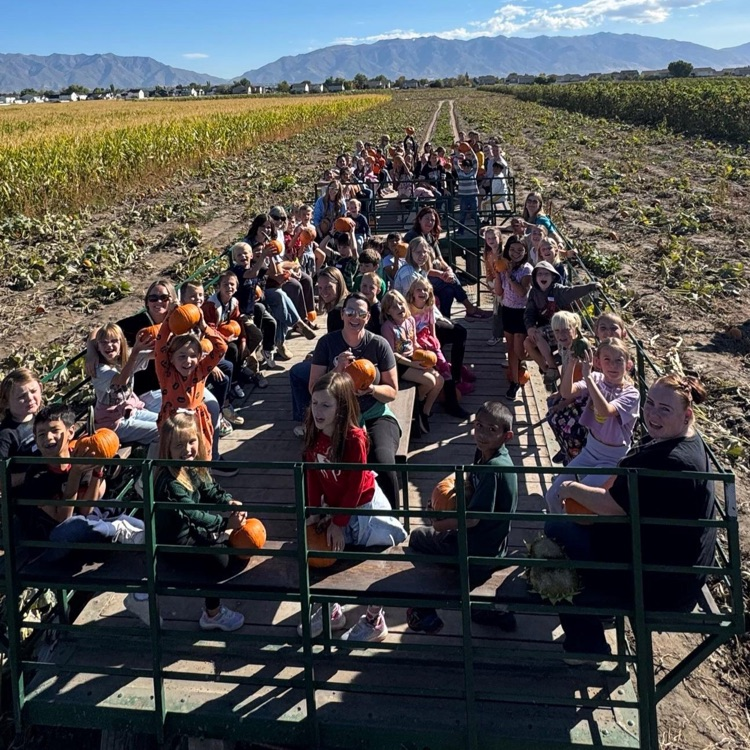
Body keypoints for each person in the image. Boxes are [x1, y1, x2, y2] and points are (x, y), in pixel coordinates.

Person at [545, 375, 716, 661]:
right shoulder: (680, 441)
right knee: (568, 528)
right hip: (670, 560)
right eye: (649, 403)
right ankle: (596, 620)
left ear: (687, 415)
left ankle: (587, 644)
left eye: (665, 409)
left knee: (556, 532)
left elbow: (610, 506)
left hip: (662, 582)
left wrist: (570, 487)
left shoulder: (670, 462)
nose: (652, 414)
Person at [299, 372, 407, 642]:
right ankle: (331, 610)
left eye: (326, 405)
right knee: (324, 553)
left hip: (363, 507)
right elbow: (312, 474)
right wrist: (314, 511)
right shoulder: (314, 434)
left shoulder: (354, 438)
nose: (318, 411)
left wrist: (339, 521)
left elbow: (355, 482)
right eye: (315, 403)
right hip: (335, 506)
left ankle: (373, 619)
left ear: (342, 407)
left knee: (375, 562)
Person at [125, 413, 247, 631]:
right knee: (219, 559)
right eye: (179, 445)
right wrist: (226, 523)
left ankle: (211, 606)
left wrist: (228, 501)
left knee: (234, 554)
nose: (187, 449)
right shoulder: (170, 482)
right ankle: (213, 614)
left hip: (190, 533)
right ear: (167, 449)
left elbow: (209, 490)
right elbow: (193, 513)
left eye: (192, 442)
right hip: (172, 543)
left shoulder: (191, 467)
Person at [407, 401, 518, 633]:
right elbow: (471, 484)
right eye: (478, 426)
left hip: (476, 547)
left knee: (418, 539)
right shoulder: (487, 453)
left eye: (492, 429)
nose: (482, 434)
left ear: (507, 436)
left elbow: (471, 520)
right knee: (430, 542)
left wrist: (439, 523)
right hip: (492, 543)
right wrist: (444, 500)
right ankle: (480, 605)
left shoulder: (493, 469)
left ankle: (428, 604)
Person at [19, 404, 144, 562]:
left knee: (143, 528)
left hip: (88, 524)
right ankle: (113, 528)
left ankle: (111, 529)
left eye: (55, 431)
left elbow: (86, 509)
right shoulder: (36, 475)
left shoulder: (80, 455)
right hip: (53, 541)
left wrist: (98, 471)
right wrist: (75, 474)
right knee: (74, 526)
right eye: (41, 434)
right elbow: (63, 518)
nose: (48, 438)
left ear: (70, 432)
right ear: (35, 439)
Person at [309, 293, 400, 507]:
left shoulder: (379, 344)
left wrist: (371, 389)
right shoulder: (327, 343)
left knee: (384, 461)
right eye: (350, 312)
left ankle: (392, 517)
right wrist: (336, 370)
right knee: (331, 462)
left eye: (361, 313)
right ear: (342, 314)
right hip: (338, 416)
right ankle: (334, 516)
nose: (355, 317)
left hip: (374, 412)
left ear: (368, 317)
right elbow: (313, 388)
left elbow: (392, 391)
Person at [545, 338, 640, 514]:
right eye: (607, 360)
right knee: (552, 494)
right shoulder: (597, 378)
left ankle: (569, 532)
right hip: (590, 450)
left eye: (618, 360)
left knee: (575, 499)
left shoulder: (631, 394)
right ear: (598, 362)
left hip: (613, 460)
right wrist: (572, 363)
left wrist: (588, 377)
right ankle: (555, 528)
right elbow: (566, 392)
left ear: (628, 364)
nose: (613, 365)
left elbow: (605, 411)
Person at [154, 303, 236, 477]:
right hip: (173, 423)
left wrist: (204, 326)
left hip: (196, 421)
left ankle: (202, 483)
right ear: (171, 357)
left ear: (199, 357)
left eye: (193, 356)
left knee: (199, 457)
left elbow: (221, 348)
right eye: (182, 356)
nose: (188, 361)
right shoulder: (166, 373)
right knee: (173, 461)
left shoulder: (200, 371)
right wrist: (169, 319)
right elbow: (160, 344)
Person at [289, 268, 348, 437]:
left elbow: (336, 349)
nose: (323, 292)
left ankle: (307, 422)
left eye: (328, 287)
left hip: (339, 366)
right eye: (320, 289)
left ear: (338, 283)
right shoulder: (345, 303)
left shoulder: (337, 313)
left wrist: (317, 358)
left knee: (296, 372)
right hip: (341, 358)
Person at [524, 262, 600, 390]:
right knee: (528, 342)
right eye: (540, 274)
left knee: (538, 335)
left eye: (546, 274)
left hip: (562, 328)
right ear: (535, 278)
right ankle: (549, 369)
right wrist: (530, 326)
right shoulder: (534, 293)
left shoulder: (557, 290)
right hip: (546, 330)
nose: (543, 276)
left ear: (553, 276)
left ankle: (553, 370)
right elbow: (529, 312)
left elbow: (573, 292)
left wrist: (590, 287)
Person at [403, 208, 489, 319]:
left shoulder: (430, 237)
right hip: (418, 276)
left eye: (432, 220)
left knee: (448, 291)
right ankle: (470, 308)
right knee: (452, 282)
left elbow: (440, 259)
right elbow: (418, 266)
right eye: (427, 219)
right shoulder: (413, 236)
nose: (430, 222)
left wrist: (448, 269)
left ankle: (445, 319)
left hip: (432, 274)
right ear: (419, 219)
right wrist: (440, 274)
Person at [380, 290, 444, 434]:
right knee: (430, 381)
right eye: (394, 307)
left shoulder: (410, 321)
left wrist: (425, 355)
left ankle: (424, 410)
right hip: (400, 363)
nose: (400, 308)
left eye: (401, 304)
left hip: (412, 358)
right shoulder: (388, 328)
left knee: (440, 380)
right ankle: (417, 401)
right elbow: (392, 354)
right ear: (388, 311)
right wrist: (413, 364)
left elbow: (414, 344)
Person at [405, 278, 469, 418]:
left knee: (445, 367)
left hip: (428, 338)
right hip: (416, 341)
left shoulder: (429, 307)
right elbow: (409, 331)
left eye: (425, 290)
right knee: (428, 367)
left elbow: (431, 324)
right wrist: (417, 345)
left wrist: (435, 340)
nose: (422, 292)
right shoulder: (408, 309)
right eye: (418, 289)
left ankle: (452, 404)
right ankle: (422, 404)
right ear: (412, 292)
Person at [91, 323, 160, 451]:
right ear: (98, 347)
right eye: (103, 342)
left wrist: (160, 339)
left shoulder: (125, 358)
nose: (109, 346)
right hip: (112, 422)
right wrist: (135, 353)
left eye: (114, 341)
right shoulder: (99, 370)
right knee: (161, 432)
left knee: (168, 423)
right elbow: (121, 381)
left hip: (130, 411)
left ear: (121, 342)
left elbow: (156, 353)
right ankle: (154, 468)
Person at [498, 240, 533, 399]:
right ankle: (514, 382)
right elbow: (499, 291)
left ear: (525, 252)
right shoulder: (504, 266)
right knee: (511, 348)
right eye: (512, 249)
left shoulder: (527, 269)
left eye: (520, 250)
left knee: (519, 349)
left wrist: (510, 276)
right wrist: (499, 273)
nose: (515, 252)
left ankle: (540, 361)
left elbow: (522, 293)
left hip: (522, 311)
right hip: (507, 310)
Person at [0, 368, 43, 492]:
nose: (30, 398)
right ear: (6, 402)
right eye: (21, 396)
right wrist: (31, 475)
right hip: (25, 496)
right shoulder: (6, 434)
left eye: (33, 391)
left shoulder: (42, 419)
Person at [452, 144, 480, 233]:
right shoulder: (460, 173)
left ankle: (479, 228)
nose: (467, 168)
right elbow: (455, 162)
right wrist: (458, 154)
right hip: (463, 196)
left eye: (468, 166)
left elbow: (476, 160)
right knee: (462, 214)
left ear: (470, 167)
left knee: (475, 213)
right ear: (462, 167)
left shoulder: (473, 173)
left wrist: (470, 149)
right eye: (465, 166)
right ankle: (461, 230)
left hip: (472, 196)